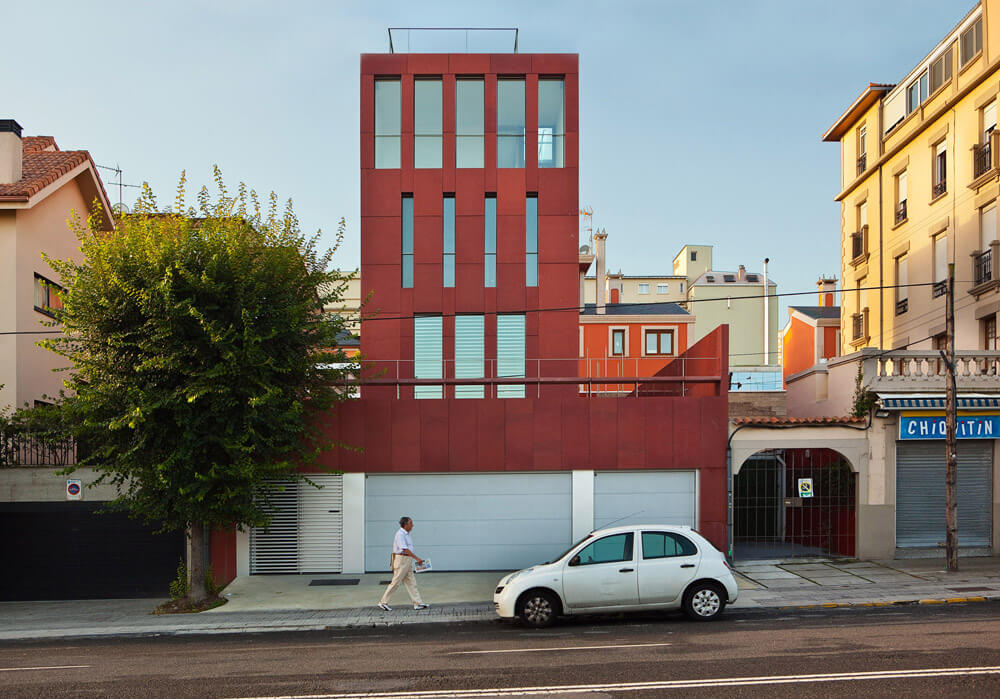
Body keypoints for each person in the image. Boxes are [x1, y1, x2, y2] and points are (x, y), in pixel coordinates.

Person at [378, 516, 429, 611]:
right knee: (396, 582)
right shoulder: (400, 534)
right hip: (402, 560)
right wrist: (417, 558)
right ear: (406, 525)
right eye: (411, 523)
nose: (412, 525)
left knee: (411, 582)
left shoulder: (406, 534)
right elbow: (404, 549)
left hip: (407, 560)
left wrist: (413, 558)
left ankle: (417, 603)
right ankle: (383, 602)